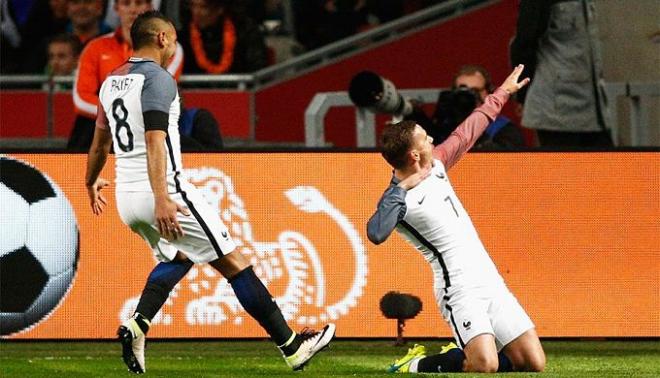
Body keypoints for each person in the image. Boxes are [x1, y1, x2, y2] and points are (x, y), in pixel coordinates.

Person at [84, 10, 334, 374]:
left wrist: (90, 181)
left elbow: (99, 143)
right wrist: (163, 199)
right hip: (165, 192)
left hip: (127, 198)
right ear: (161, 39)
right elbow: (155, 141)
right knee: (234, 263)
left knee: (179, 258)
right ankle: (293, 347)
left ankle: (138, 324)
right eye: (172, 39)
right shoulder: (160, 80)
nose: (174, 48)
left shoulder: (111, 82)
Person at [367, 65, 546, 373]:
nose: (431, 138)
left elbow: (467, 132)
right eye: (424, 138)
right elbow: (375, 232)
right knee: (484, 365)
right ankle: (418, 364)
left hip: (488, 279)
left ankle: (463, 351)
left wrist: (502, 93)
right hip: (458, 288)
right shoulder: (398, 200)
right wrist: (402, 187)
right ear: (413, 155)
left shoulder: (434, 165)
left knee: (533, 363)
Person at [69, 0, 183, 151]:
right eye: (126, 3)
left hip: (149, 126)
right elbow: (81, 99)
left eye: (139, 3)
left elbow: (158, 95)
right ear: (116, 8)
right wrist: (118, 114)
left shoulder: (170, 48)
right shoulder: (95, 48)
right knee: (86, 126)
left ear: (150, 7)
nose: (133, 10)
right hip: (105, 126)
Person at [510, 0, 613, 148]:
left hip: (593, 111)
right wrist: (523, 94)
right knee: (564, 169)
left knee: (604, 167)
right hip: (556, 112)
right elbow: (524, 44)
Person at [408, 65, 525, 149]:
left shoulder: (504, 128)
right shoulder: (443, 125)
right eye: (462, 92)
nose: (467, 98)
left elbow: (507, 163)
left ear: (488, 92)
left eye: (475, 91)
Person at [179, 0, 268, 75]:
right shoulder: (183, 37)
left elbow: (258, 70)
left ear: (219, 9)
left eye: (203, 7)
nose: (196, 12)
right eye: (193, 6)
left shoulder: (245, 31)